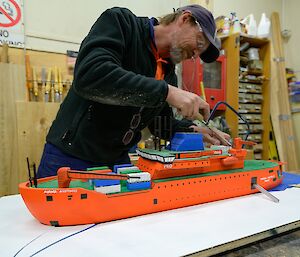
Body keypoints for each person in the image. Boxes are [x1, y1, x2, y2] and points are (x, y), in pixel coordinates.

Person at [37, 4, 230, 178]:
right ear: (185, 19)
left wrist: (196, 130)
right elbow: (91, 76)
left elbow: (160, 126)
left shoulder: (167, 71)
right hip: (71, 157)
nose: (195, 54)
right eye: (199, 42)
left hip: (117, 162)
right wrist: (166, 92)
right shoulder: (121, 23)